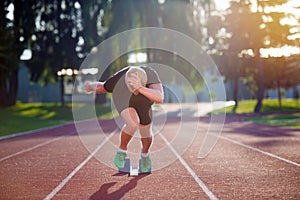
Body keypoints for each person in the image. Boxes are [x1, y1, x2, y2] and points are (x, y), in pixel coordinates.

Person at [84, 65, 164, 173]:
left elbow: (159, 97)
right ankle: (122, 151)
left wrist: (139, 88)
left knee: (146, 132)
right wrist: (89, 86)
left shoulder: (150, 74)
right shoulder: (118, 80)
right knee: (133, 123)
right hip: (124, 99)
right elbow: (102, 87)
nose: (133, 90)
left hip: (144, 100)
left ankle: (145, 155)